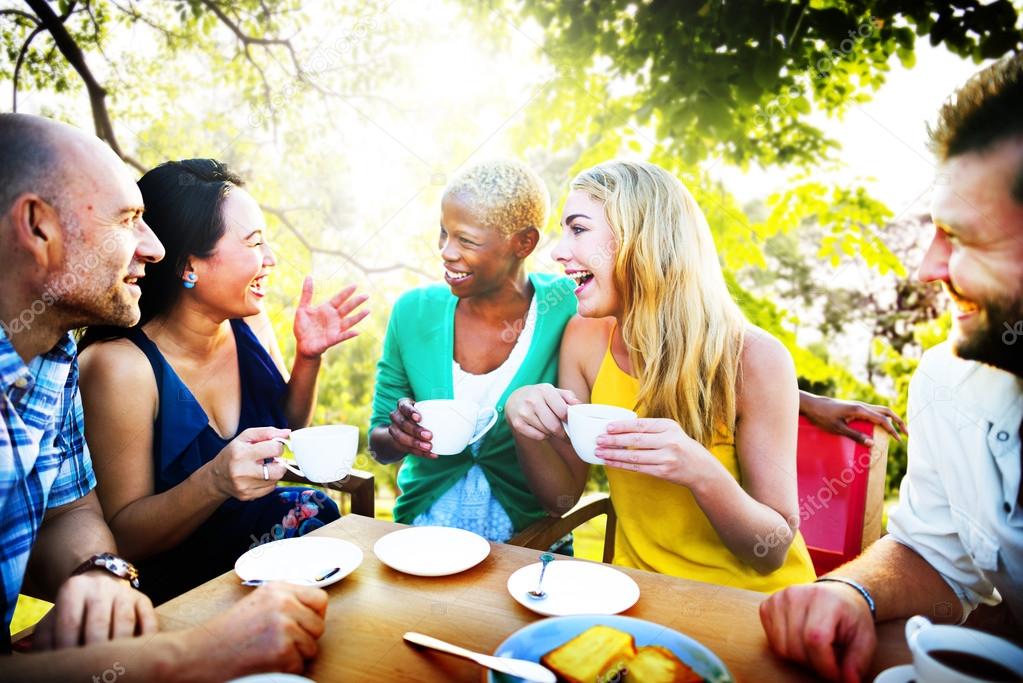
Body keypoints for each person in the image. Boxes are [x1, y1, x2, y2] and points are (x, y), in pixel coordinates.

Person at [0, 113, 326, 680]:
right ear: (38, 226)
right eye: (127, 221)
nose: (153, 249)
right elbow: (127, 526)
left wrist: (100, 573)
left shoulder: (53, 365)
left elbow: (71, 514)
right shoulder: (112, 366)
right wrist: (194, 654)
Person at [759, 52, 1023, 682]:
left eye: (966, 238)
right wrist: (851, 593)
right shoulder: (948, 380)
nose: (927, 268)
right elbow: (934, 553)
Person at [505, 160, 818, 591]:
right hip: (634, 595)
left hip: (749, 606)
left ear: (642, 239)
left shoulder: (755, 359)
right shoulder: (585, 337)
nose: (558, 251)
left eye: (578, 230)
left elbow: (772, 550)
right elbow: (560, 499)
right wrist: (524, 423)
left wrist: (699, 470)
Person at [78, 159, 368, 604]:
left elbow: (286, 422)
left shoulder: (249, 324)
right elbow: (123, 535)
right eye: (254, 243)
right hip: (180, 593)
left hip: (265, 566)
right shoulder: (120, 367)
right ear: (188, 265)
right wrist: (213, 481)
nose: (269, 260)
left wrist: (309, 358)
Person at [369, 159, 578, 544]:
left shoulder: (568, 307)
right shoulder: (413, 313)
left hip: (529, 541)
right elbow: (378, 444)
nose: (447, 252)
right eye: (443, 234)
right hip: (424, 534)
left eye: (466, 240)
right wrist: (399, 436)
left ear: (524, 243)